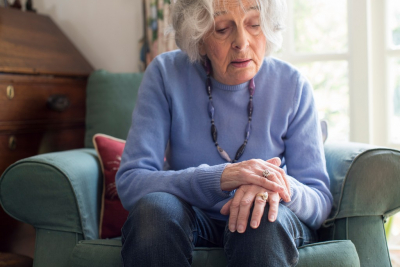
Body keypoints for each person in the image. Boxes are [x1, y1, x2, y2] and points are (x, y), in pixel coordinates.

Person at [116, 0, 333, 266]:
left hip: (267, 223)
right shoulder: (165, 74)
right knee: (153, 213)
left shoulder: (292, 85)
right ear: (199, 38)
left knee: (261, 214)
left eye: (254, 24)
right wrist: (220, 177)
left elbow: (319, 201)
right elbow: (131, 181)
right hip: (191, 218)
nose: (242, 42)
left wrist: (274, 184)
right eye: (221, 28)